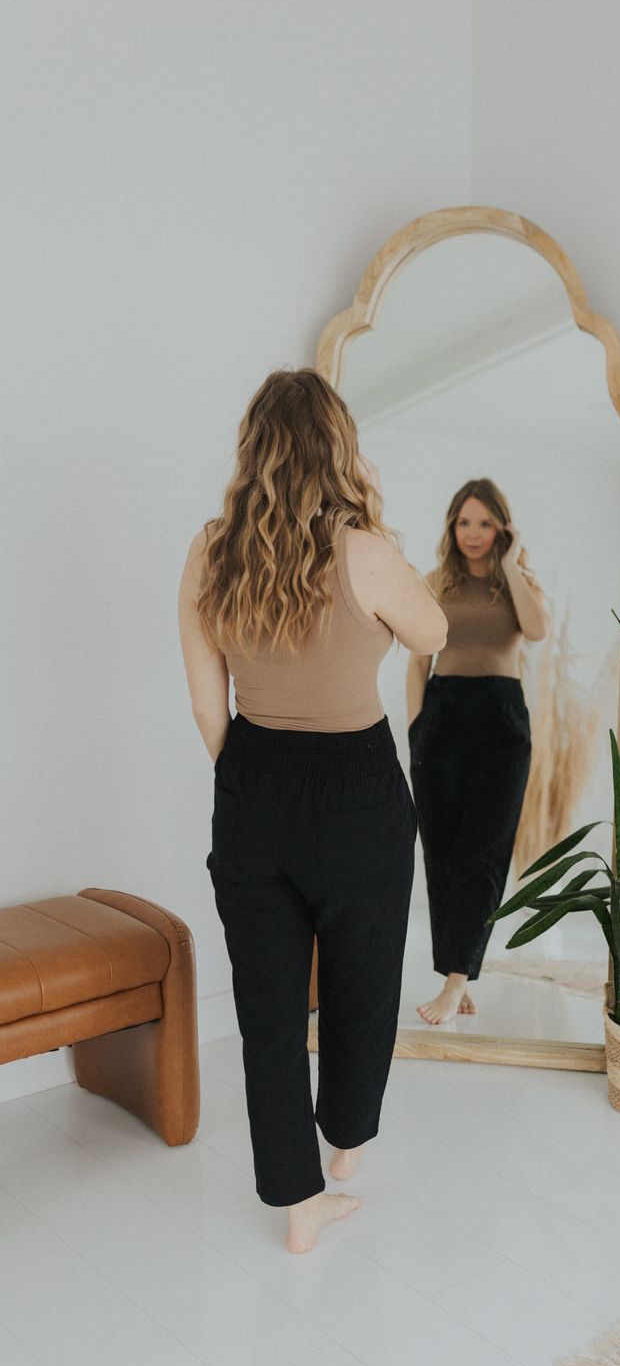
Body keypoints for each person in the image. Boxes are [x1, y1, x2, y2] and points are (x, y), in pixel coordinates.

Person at [178, 369, 446, 1253]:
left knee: (267, 1008)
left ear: (252, 447)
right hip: (356, 792)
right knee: (363, 985)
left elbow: (207, 707)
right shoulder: (365, 551)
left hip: (250, 783)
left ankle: (296, 1207)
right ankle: (345, 1147)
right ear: (339, 446)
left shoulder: (209, 550)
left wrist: (253, 783)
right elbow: (434, 636)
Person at [407, 478, 548, 1026]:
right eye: (464, 522)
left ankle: (456, 979)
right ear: (451, 526)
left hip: (500, 720)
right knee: (442, 852)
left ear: (502, 528)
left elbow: (536, 632)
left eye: (485, 522)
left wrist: (510, 566)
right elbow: (419, 661)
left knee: (485, 852)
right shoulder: (432, 581)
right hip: (441, 715)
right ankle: (457, 975)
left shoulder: (520, 585)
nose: (473, 533)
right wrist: (418, 726)